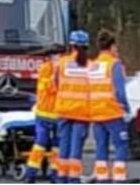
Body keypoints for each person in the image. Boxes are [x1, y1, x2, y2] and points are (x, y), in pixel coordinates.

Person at [90, 30, 131, 183]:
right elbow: (120, 90)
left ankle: (102, 178)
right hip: (112, 111)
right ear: (112, 46)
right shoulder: (114, 64)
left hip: (96, 112)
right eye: (116, 48)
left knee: (101, 146)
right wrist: (127, 107)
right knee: (121, 145)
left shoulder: (93, 65)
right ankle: (119, 178)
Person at [55, 30, 91, 184]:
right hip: (81, 112)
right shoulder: (90, 66)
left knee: (63, 146)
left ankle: (61, 177)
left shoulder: (62, 63)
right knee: (76, 147)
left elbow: (55, 84)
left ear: (71, 45)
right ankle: (73, 179)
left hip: (64, 110)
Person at [26, 51, 61, 183]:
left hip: (57, 115)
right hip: (44, 115)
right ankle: (31, 174)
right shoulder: (45, 70)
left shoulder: (59, 69)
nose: (58, 60)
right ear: (50, 59)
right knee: (40, 144)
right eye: (56, 58)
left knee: (57, 146)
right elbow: (51, 88)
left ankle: (55, 174)